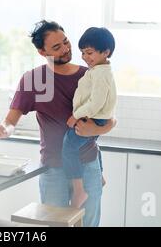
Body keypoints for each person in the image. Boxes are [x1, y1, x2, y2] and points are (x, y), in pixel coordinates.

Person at [0, 20, 116, 227]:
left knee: (88, 224)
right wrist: (4, 129)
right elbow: (11, 121)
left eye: (66, 42)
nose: (66, 49)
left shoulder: (90, 74)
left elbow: (111, 118)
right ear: (42, 52)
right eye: (57, 47)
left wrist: (96, 128)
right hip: (53, 168)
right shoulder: (33, 79)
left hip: (88, 166)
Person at [63, 27, 117, 209]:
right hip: (97, 118)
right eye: (83, 53)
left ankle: (79, 190)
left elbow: (95, 103)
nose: (85, 57)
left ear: (106, 52)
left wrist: (75, 115)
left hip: (93, 117)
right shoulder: (98, 70)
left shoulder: (100, 73)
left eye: (90, 52)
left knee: (68, 146)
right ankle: (100, 176)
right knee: (91, 143)